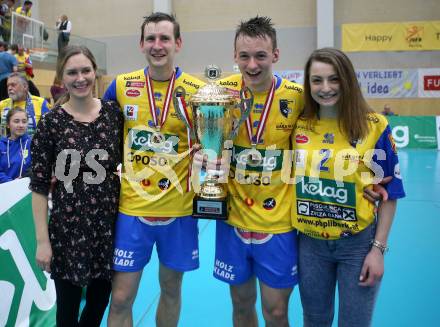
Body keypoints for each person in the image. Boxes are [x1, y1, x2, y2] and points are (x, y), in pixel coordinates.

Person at [291, 47, 405, 327]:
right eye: (317, 80)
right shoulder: (297, 125)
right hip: (309, 245)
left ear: (348, 80)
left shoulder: (374, 126)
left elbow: (391, 194)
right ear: (308, 84)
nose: (325, 88)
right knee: (314, 321)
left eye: (334, 79)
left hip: (357, 246)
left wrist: (378, 249)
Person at [103, 12, 203, 327]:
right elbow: (99, 134)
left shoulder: (198, 91)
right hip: (132, 210)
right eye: (151, 39)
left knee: (171, 290)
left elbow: (212, 143)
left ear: (178, 43)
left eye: (164, 38)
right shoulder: (120, 86)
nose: (157, 45)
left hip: (180, 210)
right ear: (141, 44)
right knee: (120, 297)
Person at [213, 16, 304, 326]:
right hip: (232, 219)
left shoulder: (297, 96)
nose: (252, 65)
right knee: (240, 304)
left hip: (278, 222)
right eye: (244, 56)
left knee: (276, 311)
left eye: (261, 56)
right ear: (234, 56)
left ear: (275, 55)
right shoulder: (220, 93)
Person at [30, 45, 123, 327]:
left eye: (85, 70)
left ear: (95, 72)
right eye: (72, 72)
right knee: (67, 313)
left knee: (98, 305)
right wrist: (43, 241)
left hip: (107, 228)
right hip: (68, 230)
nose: (80, 77)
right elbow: (38, 187)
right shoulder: (51, 123)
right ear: (62, 78)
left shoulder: (113, 115)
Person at [0, 107, 31, 183]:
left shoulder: (33, 143)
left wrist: (24, 179)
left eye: (24, 122)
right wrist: (12, 183)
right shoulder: (1, 144)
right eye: (16, 121)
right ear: (8, 124)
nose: (21, 125)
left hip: (27, 191)